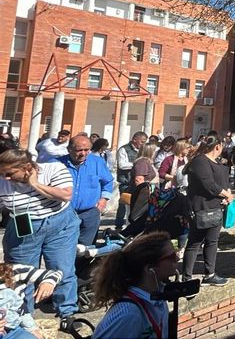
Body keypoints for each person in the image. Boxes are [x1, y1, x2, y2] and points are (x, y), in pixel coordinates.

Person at [0, 147, 79, 330]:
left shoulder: (54, 169)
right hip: (23, 227)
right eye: (3, 174)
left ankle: (66, 313)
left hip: (60, 225)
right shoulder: (2, 181)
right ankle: (21, 315)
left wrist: (35, 184)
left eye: (10, 174)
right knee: (19, 274)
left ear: (27, 166)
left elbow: (66, 195)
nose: (6, 178)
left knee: (62, 268)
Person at [92, 232, 177, 339]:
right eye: (172, 256)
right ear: (150, 268)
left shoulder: (158, 298)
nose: (177, 259)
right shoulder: (129, 314)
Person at [182, 135, 233, 286]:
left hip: (216, 207)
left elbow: (223, 183)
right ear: (217, 146)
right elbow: (208, 184)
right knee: (195, 242)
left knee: (212, 241)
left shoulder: (217, 163)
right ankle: (187, 277)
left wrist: (227, 195)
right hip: (201, 207)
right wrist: (226, 194)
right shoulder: (200, 161)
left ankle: (209, 273)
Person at [59, 135, 113, 246]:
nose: (83, 153)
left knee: (85, 249)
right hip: (64, 212)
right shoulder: (57, 164)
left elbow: (107, 182)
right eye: (79, 150)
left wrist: (103, 200)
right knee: (64, 246)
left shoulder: (97, 162)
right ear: (69, 149)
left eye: (86, 150)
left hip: (90, 212)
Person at [115, 132, 148, 230]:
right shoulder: (123, 149)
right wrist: (136, 164)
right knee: (123, 204)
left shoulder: (141, 151)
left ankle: (132, 224)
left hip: (137, 183)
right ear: (134, 139)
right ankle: (119, 225)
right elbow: (122, 164)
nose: (143, 144)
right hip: (126, 182)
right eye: (142, 142)